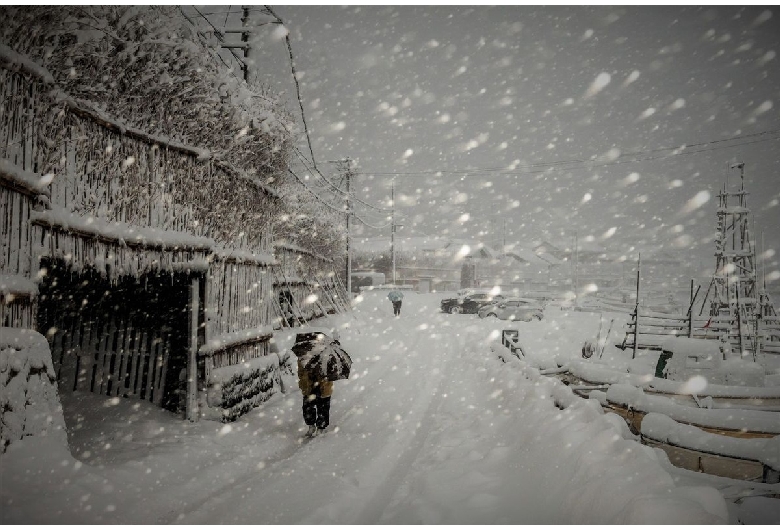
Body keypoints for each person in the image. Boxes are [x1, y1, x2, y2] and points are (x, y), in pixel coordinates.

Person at [294, 331, 340, 437]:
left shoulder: (326, 355)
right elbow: (300, 371)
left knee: (321, 406)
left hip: (322, 384)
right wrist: (303, 379)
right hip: (309, 385)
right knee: (308, 407)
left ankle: (320, 427)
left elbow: (330, 371)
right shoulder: (303, 356)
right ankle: (312, 425)